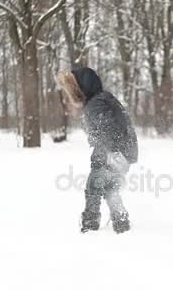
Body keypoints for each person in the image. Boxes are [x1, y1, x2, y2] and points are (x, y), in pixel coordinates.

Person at [57, 67, 138, 234]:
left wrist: (111, 155)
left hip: (113, 154)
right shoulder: (102, 99)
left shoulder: (95, 105)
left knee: (93, 187)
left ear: (82, 88)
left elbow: (109, 131)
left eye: (73, 89)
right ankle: (121, 222)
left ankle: (90, 224)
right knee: (109, 188)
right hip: (120, 152)